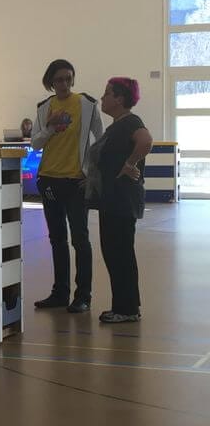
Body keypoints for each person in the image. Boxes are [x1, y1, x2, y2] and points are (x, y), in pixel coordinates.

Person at [32, 59, 103, 313]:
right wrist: (51, 127)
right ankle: (60, 293)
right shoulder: (44, 108)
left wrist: (92, 175)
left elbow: (100, 141)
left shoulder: (87, 105)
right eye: (59, 79)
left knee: (80, 239)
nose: (64, 84)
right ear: (51, 82)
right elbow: (36, 144)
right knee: (57, 239)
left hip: (76, 182)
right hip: (49, 180)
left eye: (68, 78)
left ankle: (83, 296)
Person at [87, 77, 152, 323]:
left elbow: (145, 141)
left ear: (120, 98)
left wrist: (130, 163)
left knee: (120, 253)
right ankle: (125, 306)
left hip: (122, 199)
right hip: (111, 198)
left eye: (107, 93)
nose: (103, 97)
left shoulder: (131, 122)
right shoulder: (117, 126)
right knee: (115, 253)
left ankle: (126, 309)